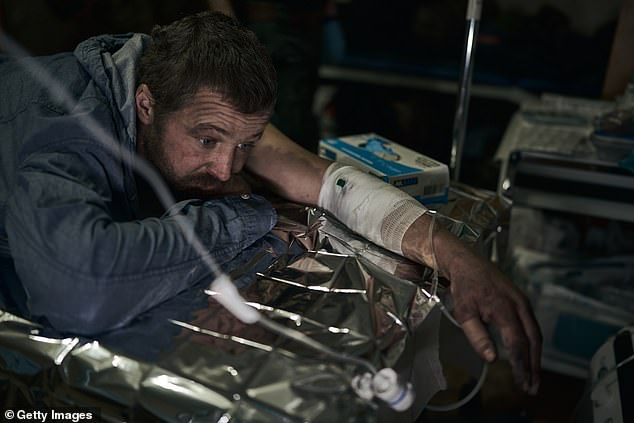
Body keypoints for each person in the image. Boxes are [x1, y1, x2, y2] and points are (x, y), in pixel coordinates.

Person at [0, 11, 541, 396]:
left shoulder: (179, 80)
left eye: (246, 146)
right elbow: (80, 289)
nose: (226, 169)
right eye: (208, 140)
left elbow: (324, 181)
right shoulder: (68, 131)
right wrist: (241, 215)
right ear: (145, 105)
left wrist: (458, 258)